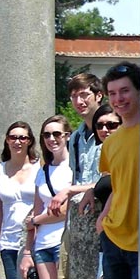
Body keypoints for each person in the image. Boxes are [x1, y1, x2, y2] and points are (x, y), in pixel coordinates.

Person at [20, 115, 74, 279]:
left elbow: (63, 211)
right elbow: (38, 209)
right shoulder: (42, 170)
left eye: (57, 134)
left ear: (67, 135)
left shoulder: (73, 167)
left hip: (65, 241)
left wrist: (36, 220)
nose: (52, 139)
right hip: (42, 244)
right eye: (46, 135)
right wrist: (28, 251)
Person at [96, 62, 140, 279]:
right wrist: (104, 217)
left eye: (125, 91)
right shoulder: (110, 144)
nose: (118, 99)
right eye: (112, 93)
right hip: (115, 237)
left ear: (139, 91)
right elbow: (116, 183)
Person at [0, 121, 40, 279]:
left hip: (36, 237)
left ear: (30, 141)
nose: (17, 142)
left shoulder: (40, 168)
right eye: (13, 137)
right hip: (9, 240)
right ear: (7, 141)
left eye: (22, 138)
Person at [86, 105, 121, 279]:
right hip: (107, 240)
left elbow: (122, 187)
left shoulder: (128, 150)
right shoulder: (108, 153)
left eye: (111, 124)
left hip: (120, 237)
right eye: (100, 125)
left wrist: (104, 215)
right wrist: (89, 189)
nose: (105, 129)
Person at [50, 73, 104, 216]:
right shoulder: (75, 138)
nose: (79, 101)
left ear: (99, 96)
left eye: (84, 95)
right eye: (74, 96)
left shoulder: (111, 131)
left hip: (106, 212)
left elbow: (113, 179)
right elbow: (76, 178)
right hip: (82, 215)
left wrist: (69, 190)